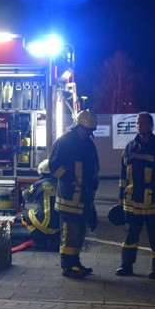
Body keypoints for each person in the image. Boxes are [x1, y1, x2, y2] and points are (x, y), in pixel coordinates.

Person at [115, 112, 155, 279]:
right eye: (137, 123)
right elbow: (123, 175)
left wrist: (154, 188)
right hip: (132, 201)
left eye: (143, 123)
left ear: (151, 125)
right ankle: (126, 265)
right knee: (130, 235)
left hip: (152, 201)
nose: (139, 125)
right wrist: (121, 196)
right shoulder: (129, 147)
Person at [48, 109, 100, 278]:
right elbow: (54, 166)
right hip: (69, 196)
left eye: (91, 131)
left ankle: (75, 262)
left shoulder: (88, 143)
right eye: (87, 130)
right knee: (69, 232)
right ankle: (67, 266)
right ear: (78, 126)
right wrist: (70, 179)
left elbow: (94, 166)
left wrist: (93, 182)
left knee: (79, 232)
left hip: (84, 196)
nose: (88, 134)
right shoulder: (64, 141)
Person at [18, 159, 59, 249]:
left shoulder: (39, 184)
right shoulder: (60, 184)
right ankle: (53, 238)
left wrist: (24, 191)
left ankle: (38, 237)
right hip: (59, 224)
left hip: (45, 223)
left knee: (24, 214)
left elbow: (28, 196)